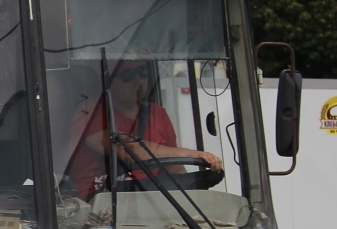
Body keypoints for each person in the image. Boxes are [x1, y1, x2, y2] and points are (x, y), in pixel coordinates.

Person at [67, 59, 222, 200]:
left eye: (143, 73)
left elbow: (174, 168)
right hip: (99, 205)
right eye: (128, 75)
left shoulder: (158, 114)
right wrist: (192, 154)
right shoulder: (89, 112)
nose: (138, 81)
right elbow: (125, 150)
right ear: (108, 81)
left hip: (149, 202)